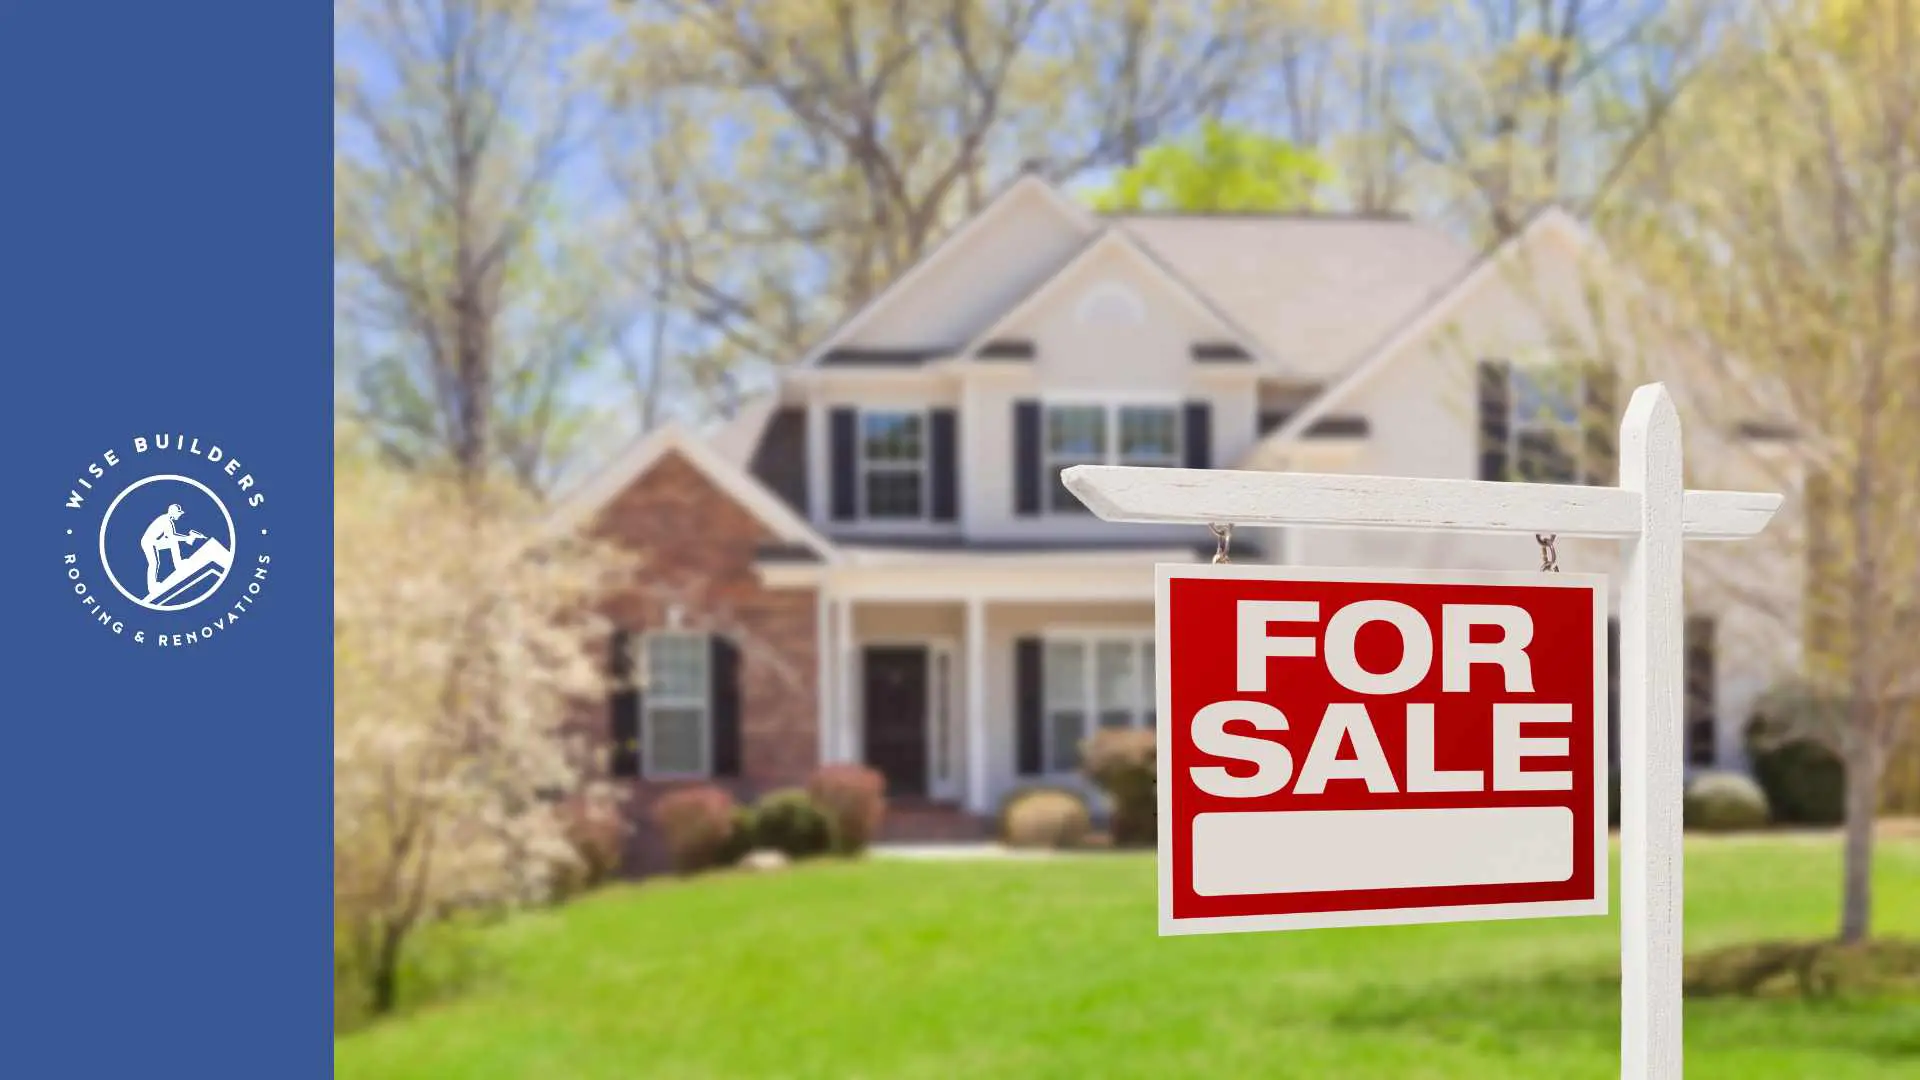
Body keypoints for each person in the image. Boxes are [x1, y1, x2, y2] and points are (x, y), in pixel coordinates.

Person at [141, 503, 205, 595]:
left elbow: (170, 537)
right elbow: (172, 536)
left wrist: (187, 538)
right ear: (173, 512)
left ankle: (178, 564)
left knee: (173, 543)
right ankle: (152, 588)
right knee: (154, 563)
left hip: (155, 541)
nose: (179, 515)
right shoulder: (166, 521)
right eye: (178, 513)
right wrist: (187, 538)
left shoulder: (167, 519)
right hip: (149, 543)